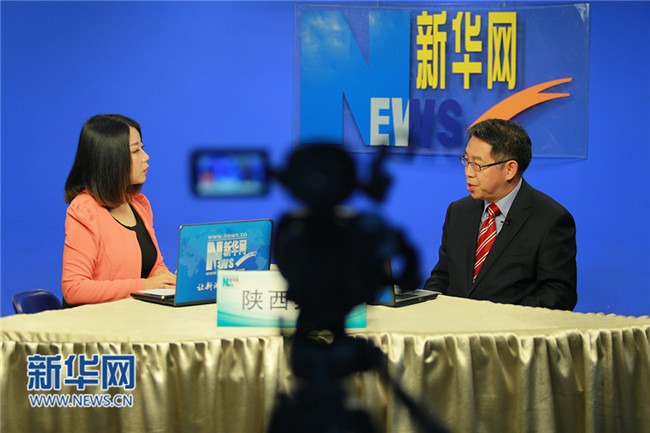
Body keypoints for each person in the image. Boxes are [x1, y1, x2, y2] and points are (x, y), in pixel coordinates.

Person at [423, 118, 577, 310]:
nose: (468, 172)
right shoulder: (458, 211)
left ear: (509, 169)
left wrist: (498, 317)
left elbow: (558, 295)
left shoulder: (550, 219)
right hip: (454, 326)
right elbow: (442, 277)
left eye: (477, 164)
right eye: (466, 161)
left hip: (511, 328)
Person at [62, 114, 176, 306]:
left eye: (142, 148)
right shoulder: (83, 210)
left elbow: (154, 265)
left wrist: (166, 279)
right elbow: (74, 288)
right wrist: (145, 285)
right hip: (97, 320)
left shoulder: (139, 204)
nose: (145, 157)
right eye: (135, 150)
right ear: (110, 158)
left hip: (135, 315)